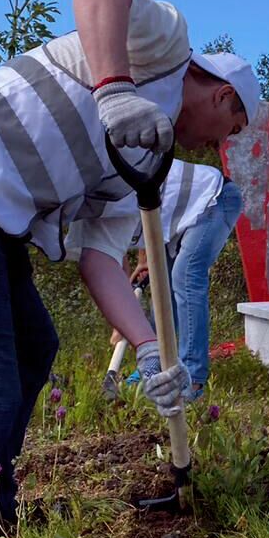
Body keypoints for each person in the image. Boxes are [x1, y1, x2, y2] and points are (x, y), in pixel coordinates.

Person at [0, 0, 260, 538]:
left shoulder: (144, 168)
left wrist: (150, 349)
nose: (218, 146)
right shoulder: (166, 45)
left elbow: (98, 261)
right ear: (224, 93)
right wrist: (115, 91)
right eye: (230, 127)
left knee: (34, 348)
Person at [66, 134, 244, 400]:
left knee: (185, 276)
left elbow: (139, 207)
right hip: (175, 217)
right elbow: (112, 259)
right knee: (165, 290)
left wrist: (122, 326)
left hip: (214, 197)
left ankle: (192, 379)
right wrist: (144, 262)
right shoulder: (85, 214)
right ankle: (158, 367)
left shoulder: (97, 183)